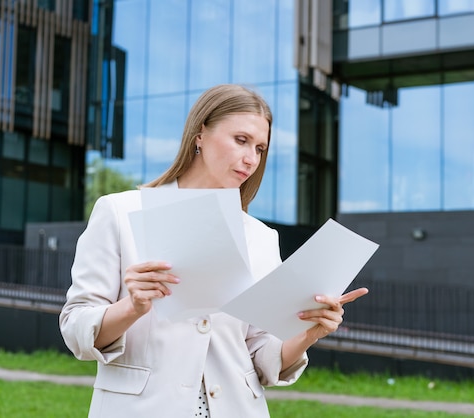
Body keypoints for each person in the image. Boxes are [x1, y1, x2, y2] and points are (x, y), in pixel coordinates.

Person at [59, 84, 368, 418]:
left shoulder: (261, 237)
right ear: (200, 133)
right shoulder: (120, 212)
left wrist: (311, 333)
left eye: (261, 148)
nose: (251, 159)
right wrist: (132, 307)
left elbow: (260, 352)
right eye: (241, 140)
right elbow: (76, 327)